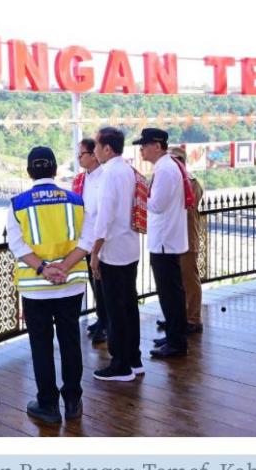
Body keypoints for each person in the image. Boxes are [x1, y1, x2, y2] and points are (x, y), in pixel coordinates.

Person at [7, 146, 94, 424]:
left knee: (41, 345)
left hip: (36, 287)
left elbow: (17, 246)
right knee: (70, 341)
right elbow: (86, 241)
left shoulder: (18, 204)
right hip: (71, 283)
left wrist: (44, 269)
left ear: (30, 171)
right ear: (55, 170)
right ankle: (72, 401)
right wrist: (64, 268)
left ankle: (48, 404)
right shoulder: (76, 200)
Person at [133, 128, 190, 358]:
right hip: (166, 238)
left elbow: (156, 205)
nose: (142, 150)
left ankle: (177, 341)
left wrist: (141, 194)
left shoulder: (165, 170)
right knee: (171, 291)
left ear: (157, 146)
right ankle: (174, 334)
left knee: (170, 292)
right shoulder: (167, 166)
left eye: (145, 146)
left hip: (165, 240)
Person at [91, 127, 142, 381]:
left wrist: (95, 252)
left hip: (113, 249)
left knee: (114, 308)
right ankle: (134, 357)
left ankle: (120, 363)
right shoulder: (127, 169)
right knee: (129, 304)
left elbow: (105, 217)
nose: (95, 151)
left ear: (107, 149)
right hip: (130, 245)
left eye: (97, 146)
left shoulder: (109, 174)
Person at [159, 146, 204, 334]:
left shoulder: (192, 183)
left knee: (188, 279)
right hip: (171, 237)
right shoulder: (172, 181)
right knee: (174, 281)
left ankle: (193, 318)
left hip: (186, 236)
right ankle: (177, 317)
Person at [71, 138, 108, 345]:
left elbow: (101, 212)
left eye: (81, 154)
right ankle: (101, 318)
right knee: (94, 284)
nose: (79, 158)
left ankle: (106, 322)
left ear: (93, 155)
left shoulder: (104, 178)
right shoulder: (81, 179)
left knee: (102, 283)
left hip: (100, 240)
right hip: (85, 238)